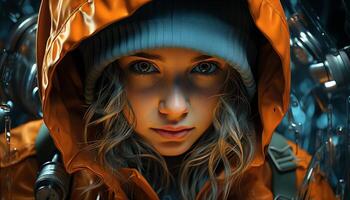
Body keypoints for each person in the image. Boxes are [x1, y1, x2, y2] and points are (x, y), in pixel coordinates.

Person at [0, 0, 335, 199]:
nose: (175, 108)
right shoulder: (17, 173)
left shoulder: (296, 184)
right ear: (105, 76)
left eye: (204, 68)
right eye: (144, 67)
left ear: (236, 79)